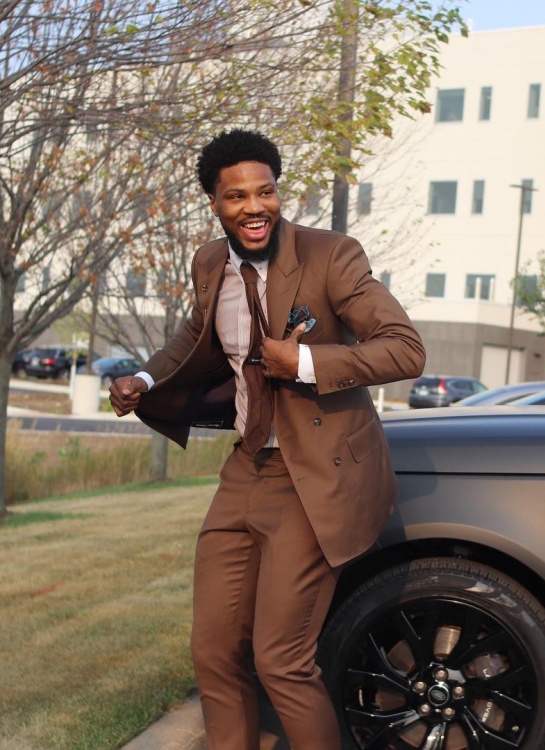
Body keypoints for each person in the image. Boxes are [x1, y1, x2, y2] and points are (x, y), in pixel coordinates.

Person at [109, 128, 425, 750]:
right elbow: (195, 334)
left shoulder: (332, 255)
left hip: (315, 475)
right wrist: (144, 378)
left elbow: (405, 348)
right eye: (237, 196)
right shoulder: (209, 264)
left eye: (266, 191)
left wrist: (303, 362)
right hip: (246, 466)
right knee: (214, 651)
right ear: (215, 203)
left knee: (281, 660)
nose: (254, 207)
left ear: (278, 193)